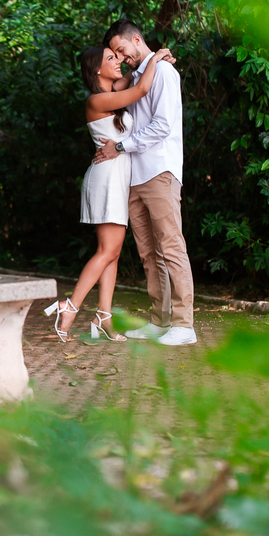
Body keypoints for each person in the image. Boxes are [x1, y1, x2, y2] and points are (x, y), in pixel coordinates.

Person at [44, 44, 175, 342]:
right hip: (106, 179)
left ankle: (104, 317)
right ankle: (69, 307)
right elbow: (141, 88)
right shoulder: (96, 101)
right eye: (111, 58)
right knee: (107, 251)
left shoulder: (113, 91)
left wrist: (149, 60)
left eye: (118, 56)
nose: (118, 61)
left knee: (113, 254)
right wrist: (156, 55)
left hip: (117, 178)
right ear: (96, 70)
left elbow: (132, 77)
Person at [92, 19, 196, 346]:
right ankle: (159, 321)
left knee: (171, 246)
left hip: (159, 171)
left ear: (137, 39)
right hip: (134, 176)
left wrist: (120, 146)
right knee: (149, 254)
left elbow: (162, 126)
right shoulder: (138, 76)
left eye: (122, 50)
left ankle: (184, 324)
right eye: (115, 54)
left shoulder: (164, 73)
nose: (121, 57)